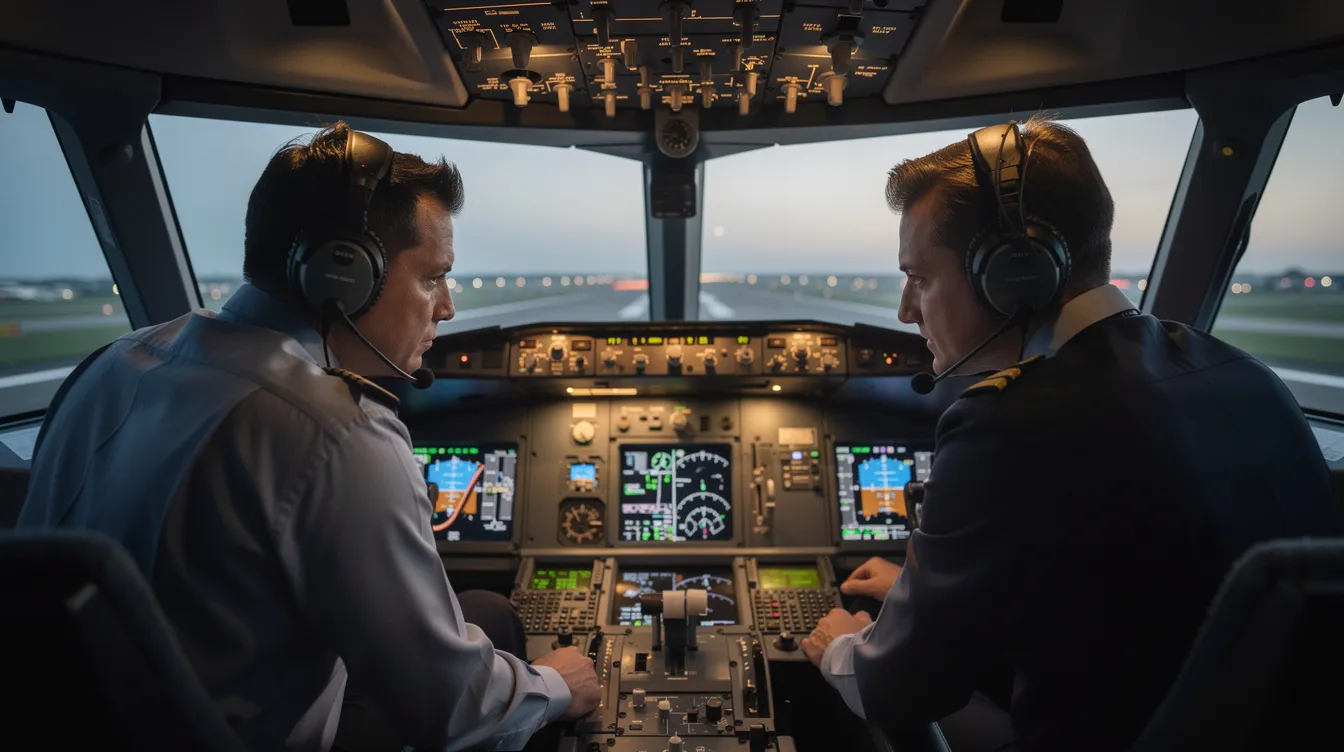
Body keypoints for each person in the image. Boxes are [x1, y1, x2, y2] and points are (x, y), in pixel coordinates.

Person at [18, 123, 600, 751]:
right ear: (344, 275)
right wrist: (558, 684)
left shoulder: (111, 364)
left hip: (82, 722)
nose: (447, 307)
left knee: (479, 613)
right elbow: (457, 712)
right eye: (433, 277)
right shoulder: (337, 432)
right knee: (499, 633)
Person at [799, 115, 1343, 752]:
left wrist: (839, 641)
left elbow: (898, 689)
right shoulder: (1242, 373)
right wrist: (934, 598)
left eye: (919, 278)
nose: (905, 311)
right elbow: (1130, 595)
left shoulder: (1008, 425)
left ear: (1012, 275)